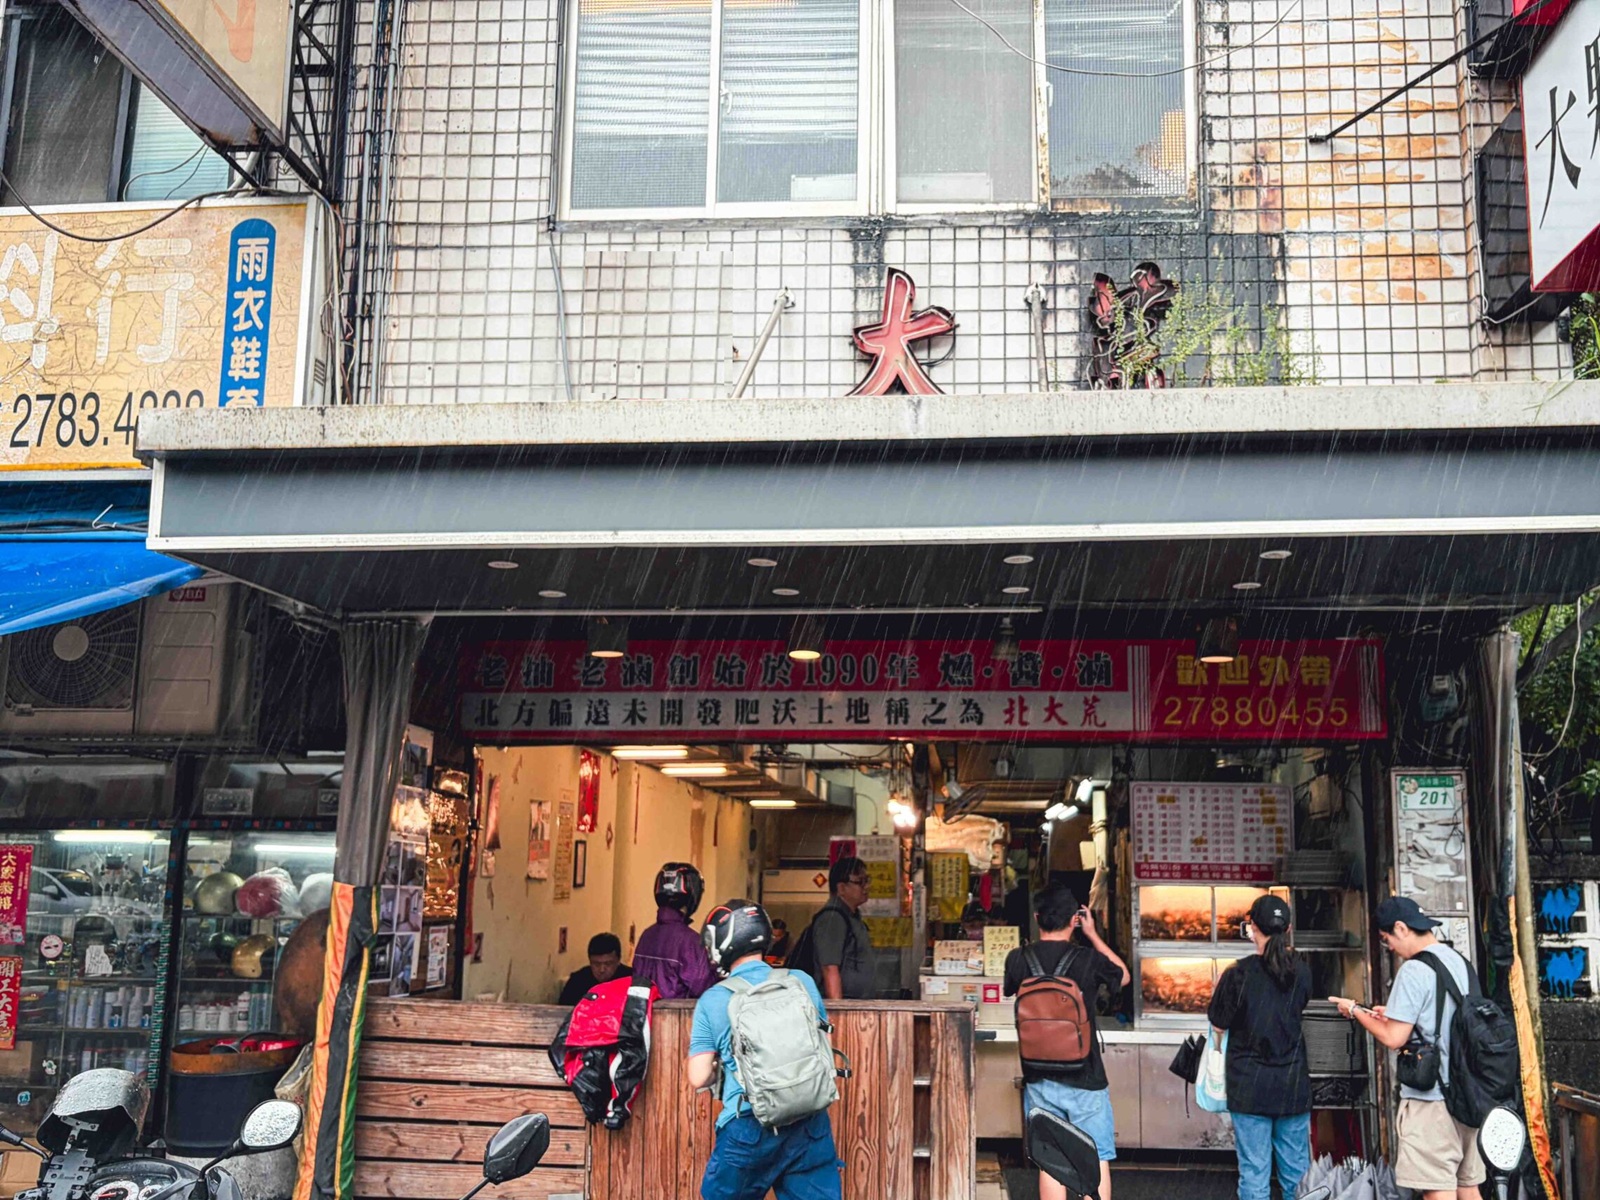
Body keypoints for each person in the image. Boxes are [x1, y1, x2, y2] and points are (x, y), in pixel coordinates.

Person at [688, 899, 842, 1200]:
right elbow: (824, 1045)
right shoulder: (801, 982)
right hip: (809, 1122)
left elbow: (698, 1076)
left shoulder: (713, 999)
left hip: (748, 1127)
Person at [1332, 897, 1484, 1200]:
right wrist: (1395, 1013)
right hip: (1468, 1095)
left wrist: (1356, 1011)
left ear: (1401, 928)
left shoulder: (1414, 969)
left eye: (1387, 939)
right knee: (1468, 1187)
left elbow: (1394, 1038)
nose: (1389, 947)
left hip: (1432, 1101)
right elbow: (1444, 1018)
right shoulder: (1460, 962)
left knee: (1438, 1190)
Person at [1003, 883, 1129, 1200]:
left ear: (1036, 917)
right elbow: (1123, 977)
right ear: (1075, 919)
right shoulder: (1086, 959)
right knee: (1094, 1155)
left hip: (1038, 1075)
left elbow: (1009, 989)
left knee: (1051, 1162)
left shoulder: (1018, 959)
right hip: (1085, 1077)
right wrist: (1093, 935)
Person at [1208, 895, 1312, 1200]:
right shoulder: (1302, 971)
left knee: (1254, 1173)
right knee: (1297, 1173)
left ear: (1251, 926)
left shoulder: (1238, 973)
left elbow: (1218, 1023)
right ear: (1289, 928)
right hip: (1292, 1084)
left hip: (1249, 1086)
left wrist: (1219, 993)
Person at [633, 862, 719, 999]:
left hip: (643, 1018)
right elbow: (706, 990)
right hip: (677, 1019)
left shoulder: (646, 936)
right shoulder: (691, 942)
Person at [796, 857, 876, 1000]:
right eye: (860, 882)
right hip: (843, 1007)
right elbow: (829, 968)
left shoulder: (852, 917)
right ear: (841, 888)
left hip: (856, 1006)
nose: (866, 887)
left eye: (867, 880)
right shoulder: (832, 919)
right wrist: (839, 1012)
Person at [558, 932, 632, 1005]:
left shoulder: (632, 980)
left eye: (608, 964)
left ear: (618, 961)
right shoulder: (578, 981)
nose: (602, 969)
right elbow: (563, 1010)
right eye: (596, 964)